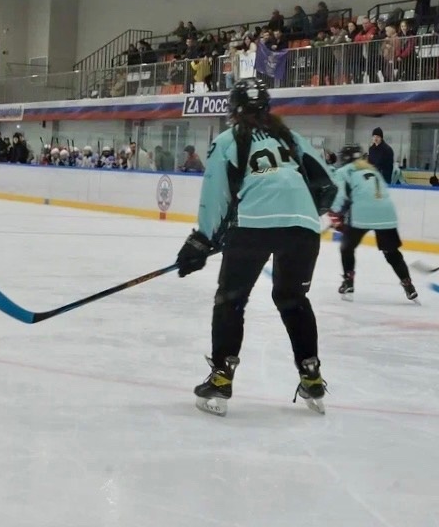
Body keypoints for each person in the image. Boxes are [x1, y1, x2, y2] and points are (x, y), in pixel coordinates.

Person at [175, 76, 334, 417]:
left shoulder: (228, 139)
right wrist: (297, 213)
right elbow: (327, 184)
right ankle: (312, 376)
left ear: (233, 110)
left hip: (253, 224)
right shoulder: (290, 137)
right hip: (304, 226)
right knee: (293, 299)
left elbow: (215, 192)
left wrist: (202, 238)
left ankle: (221, 379)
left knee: (231, 299)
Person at [329, 146, 417, 302]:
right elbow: (379, 192)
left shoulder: (343, 172)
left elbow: (340, 195)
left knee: (347, 248)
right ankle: (408, 284)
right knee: (391, 252)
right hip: (386, 211)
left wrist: (335, 214)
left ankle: (348, 281)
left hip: (362, 212)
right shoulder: (373, 170)